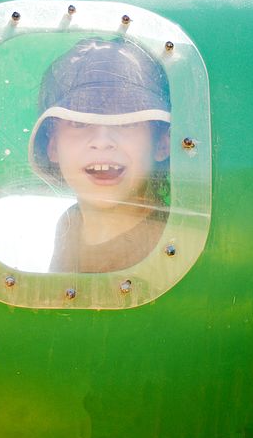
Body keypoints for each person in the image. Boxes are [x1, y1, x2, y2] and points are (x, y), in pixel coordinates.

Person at [28, 37, 171, 273]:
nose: (102, 142)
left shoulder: (169, 243)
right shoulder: (70, 223)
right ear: (52, 146)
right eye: (78, 122)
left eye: (126, 122)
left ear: (162, 144)